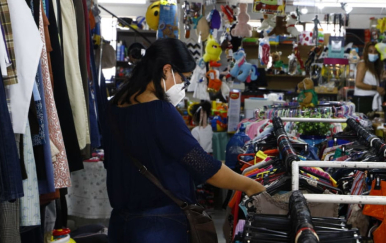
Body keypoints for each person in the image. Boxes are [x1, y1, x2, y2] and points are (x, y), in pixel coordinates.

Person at [103, 38, 265, 243]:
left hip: (120, 225)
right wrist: (250, 185)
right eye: (184, 79)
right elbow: (204, 167)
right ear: (167, 70)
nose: (183, 86)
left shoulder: (112, 108)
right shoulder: (160, 112)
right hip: (160, 227)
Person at [353, 42, 386, 114]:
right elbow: (358, 83)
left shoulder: (374, 67)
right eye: (370, 51)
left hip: (372, 99)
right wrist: (376, 88)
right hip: (362, 100)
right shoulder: (363, 64)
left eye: (375, 52)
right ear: (366, 53)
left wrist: (383, 79)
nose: (373, 54)